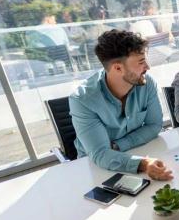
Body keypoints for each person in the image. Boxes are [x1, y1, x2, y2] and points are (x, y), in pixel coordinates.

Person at [69, 29, 172, 180]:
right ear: (118, 68)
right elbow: (101, 153)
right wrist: (143, 163)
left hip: (139, 151)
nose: (148, 67)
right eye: (141, 62)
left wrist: (118, 145)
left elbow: (154, 126)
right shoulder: (82, 100)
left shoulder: (147, 83)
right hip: (94, 166)